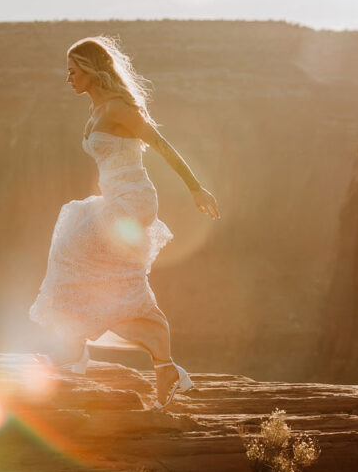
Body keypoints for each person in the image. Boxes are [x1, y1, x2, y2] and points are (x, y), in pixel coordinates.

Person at [30, 35, 220, 408]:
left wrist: (197, 189)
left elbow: (162, 145)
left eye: (72, 71)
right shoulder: (95, 109)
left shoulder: (119, 108)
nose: (67, 78)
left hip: (133, 200)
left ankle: (74, 349)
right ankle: (162, 366)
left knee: (75, 254)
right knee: (99, 268)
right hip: (113, 199)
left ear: (90, 71)